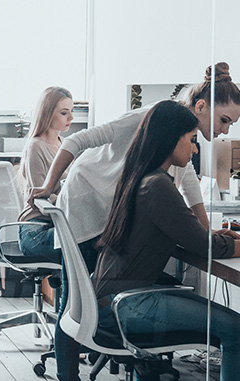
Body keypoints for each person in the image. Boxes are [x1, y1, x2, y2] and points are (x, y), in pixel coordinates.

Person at [30, 63, 240, 380]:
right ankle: (69, 374)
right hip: (86, 206)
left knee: (91, 298)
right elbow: (78, 140)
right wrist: (48, 186)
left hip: (114, 226)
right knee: (76, 305)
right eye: (224, 120)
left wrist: (203, 229)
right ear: (200, 108)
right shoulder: (155, 128)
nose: (224, 131)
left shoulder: (153, 171)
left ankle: (146, 362)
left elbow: (189, 183)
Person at [91, 100, 240, 380]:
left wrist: (207, 235)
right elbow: (205, 247)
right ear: (172, 138)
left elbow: (187, 232)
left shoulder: (143, 177)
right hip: (130, 303)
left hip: (114, 298)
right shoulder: (158, 184)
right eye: (193, 140)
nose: (196, 149)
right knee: (235, 329)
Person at [16, 87, 74, 263]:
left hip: (57, 224)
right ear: (48, 114)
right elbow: (41, 202)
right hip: (35, 231)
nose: (71, 118)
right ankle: (73, 291)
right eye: (64, 113)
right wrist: (73, 202)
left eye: (72, 112)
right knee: (82, 244)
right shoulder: (36, 146)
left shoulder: (64, 144)